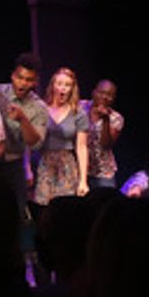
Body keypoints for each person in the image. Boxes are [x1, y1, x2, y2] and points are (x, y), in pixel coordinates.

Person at [0, 52, 48, 218]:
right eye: (20, 77)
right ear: (13, 75)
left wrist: (23, 119)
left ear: (35, 82)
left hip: (14, 164)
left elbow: (35, 143)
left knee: (16, 214)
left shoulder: (38, 107)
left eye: (28, 80)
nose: (22, 83)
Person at [32, 66, 90, 209]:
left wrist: (83, 180)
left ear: (72, 88)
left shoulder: (78, 113)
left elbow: (82, 147)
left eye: (67, 85)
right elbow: (30, 140)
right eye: (59, 84)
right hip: (46, 163)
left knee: (65, 208)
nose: (63, 88)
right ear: (53, 86)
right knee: (43, 207)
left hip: (67, 164)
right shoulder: (42, 110)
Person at [81, 79, 124, 189]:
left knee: (104, 204)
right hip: (80, 169)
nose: (104, 97)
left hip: (103, 173)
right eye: (101, 93)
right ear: (94, 92)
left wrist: (105, 120)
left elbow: (106, 144)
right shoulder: (81, 107)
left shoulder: (116, 118)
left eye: (109, 95)